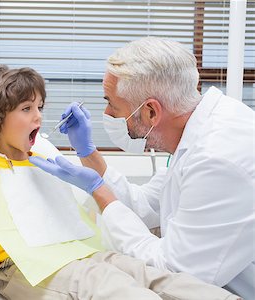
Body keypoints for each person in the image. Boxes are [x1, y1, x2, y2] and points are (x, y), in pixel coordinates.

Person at [0, 64, 238, 300]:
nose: (39, 115)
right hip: (16, 266)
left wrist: (86, 156)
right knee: (107, 283)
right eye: (27, 109)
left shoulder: (41, 159)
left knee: (142, 272)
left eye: (40, 106)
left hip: (73, 252)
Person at [30, 36, 255, 299]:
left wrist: (100, 192)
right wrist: (88, 154)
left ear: (151, 112)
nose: (108, 113)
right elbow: (146, 205)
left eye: (112, 104)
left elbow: (175, 274)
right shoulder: (196, 130)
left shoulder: (216, 158)